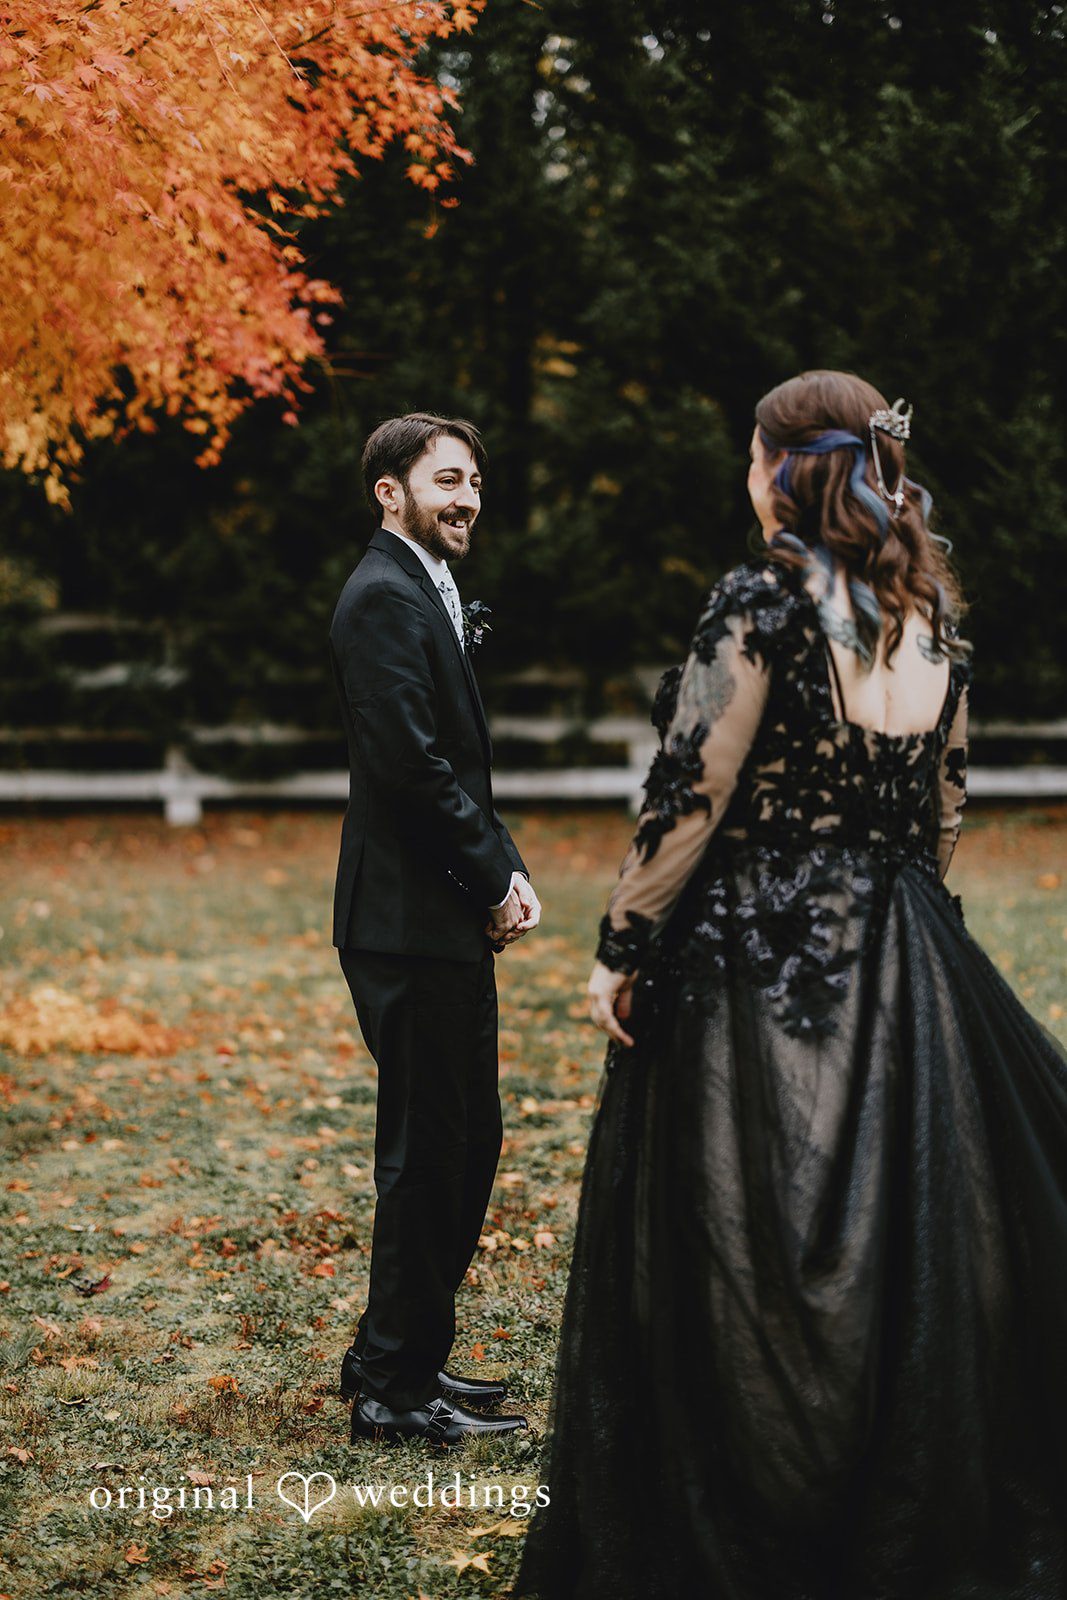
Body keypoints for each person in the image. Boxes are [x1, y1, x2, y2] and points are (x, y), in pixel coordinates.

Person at [514, 370, 1067, 1596]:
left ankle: (754, 1503)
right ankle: (885, 1484)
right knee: (895, 1229)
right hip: (908, 940)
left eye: (746, 455)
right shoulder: (928, 616)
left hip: (756, 945)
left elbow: (691, 789)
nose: (740, 475)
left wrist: (624, 941)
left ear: (780, 466)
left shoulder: (759, 601)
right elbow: (940, 807)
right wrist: (905, 926)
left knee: (747, 1226)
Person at [328, 411, 542, 1448]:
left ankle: (405, 1357)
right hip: (404, 918)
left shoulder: (419, 586)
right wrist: (493, 872)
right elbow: (412, 767)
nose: (465, 497)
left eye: (472, 481)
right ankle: (388, 1393)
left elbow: (452, 761)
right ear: (389, 490)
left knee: (466, 1140)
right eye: (445, 478)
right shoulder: (379, 597)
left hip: (433, 911)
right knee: (428, 1150)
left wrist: (496, 870)